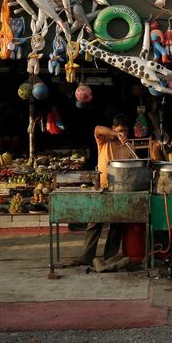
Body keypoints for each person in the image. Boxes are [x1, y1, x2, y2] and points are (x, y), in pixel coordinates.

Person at [70, 114, 134, 269]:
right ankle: (86, 256)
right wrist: (114, 134)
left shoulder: (128, 145)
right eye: (120, 131)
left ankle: (110, 256)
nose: (123, 134)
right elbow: (97, 129)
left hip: (120, 189)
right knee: (95, 222)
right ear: (113, 129)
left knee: (117, 223)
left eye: (125, 131)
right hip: (102, 187)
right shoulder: (104, 140)